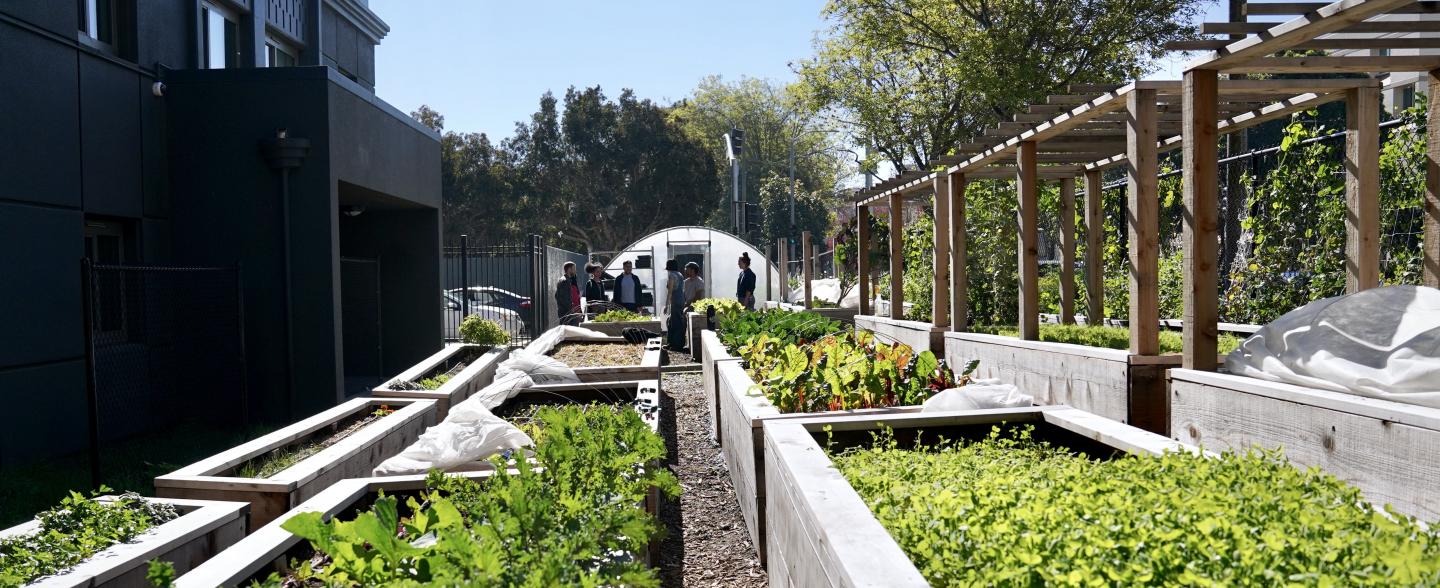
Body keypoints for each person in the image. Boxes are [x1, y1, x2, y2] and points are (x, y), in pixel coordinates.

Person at [664, 259, 686, 350]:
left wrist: (666, 305)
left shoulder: (672, 275)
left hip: (676, 301)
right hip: (681, 300)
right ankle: (671, 343)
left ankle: (676, 345)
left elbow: (670, 291)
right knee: (672, 322)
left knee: (675, 322)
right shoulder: (680, 274)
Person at [554, 261, 581, 326]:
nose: (575, 271)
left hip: (567, 313)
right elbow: (564, 299)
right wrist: (572, 310)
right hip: (567, 314)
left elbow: (557, 295)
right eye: (574, 269)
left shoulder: (567, 280)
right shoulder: (565, 281)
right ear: (569, 269)